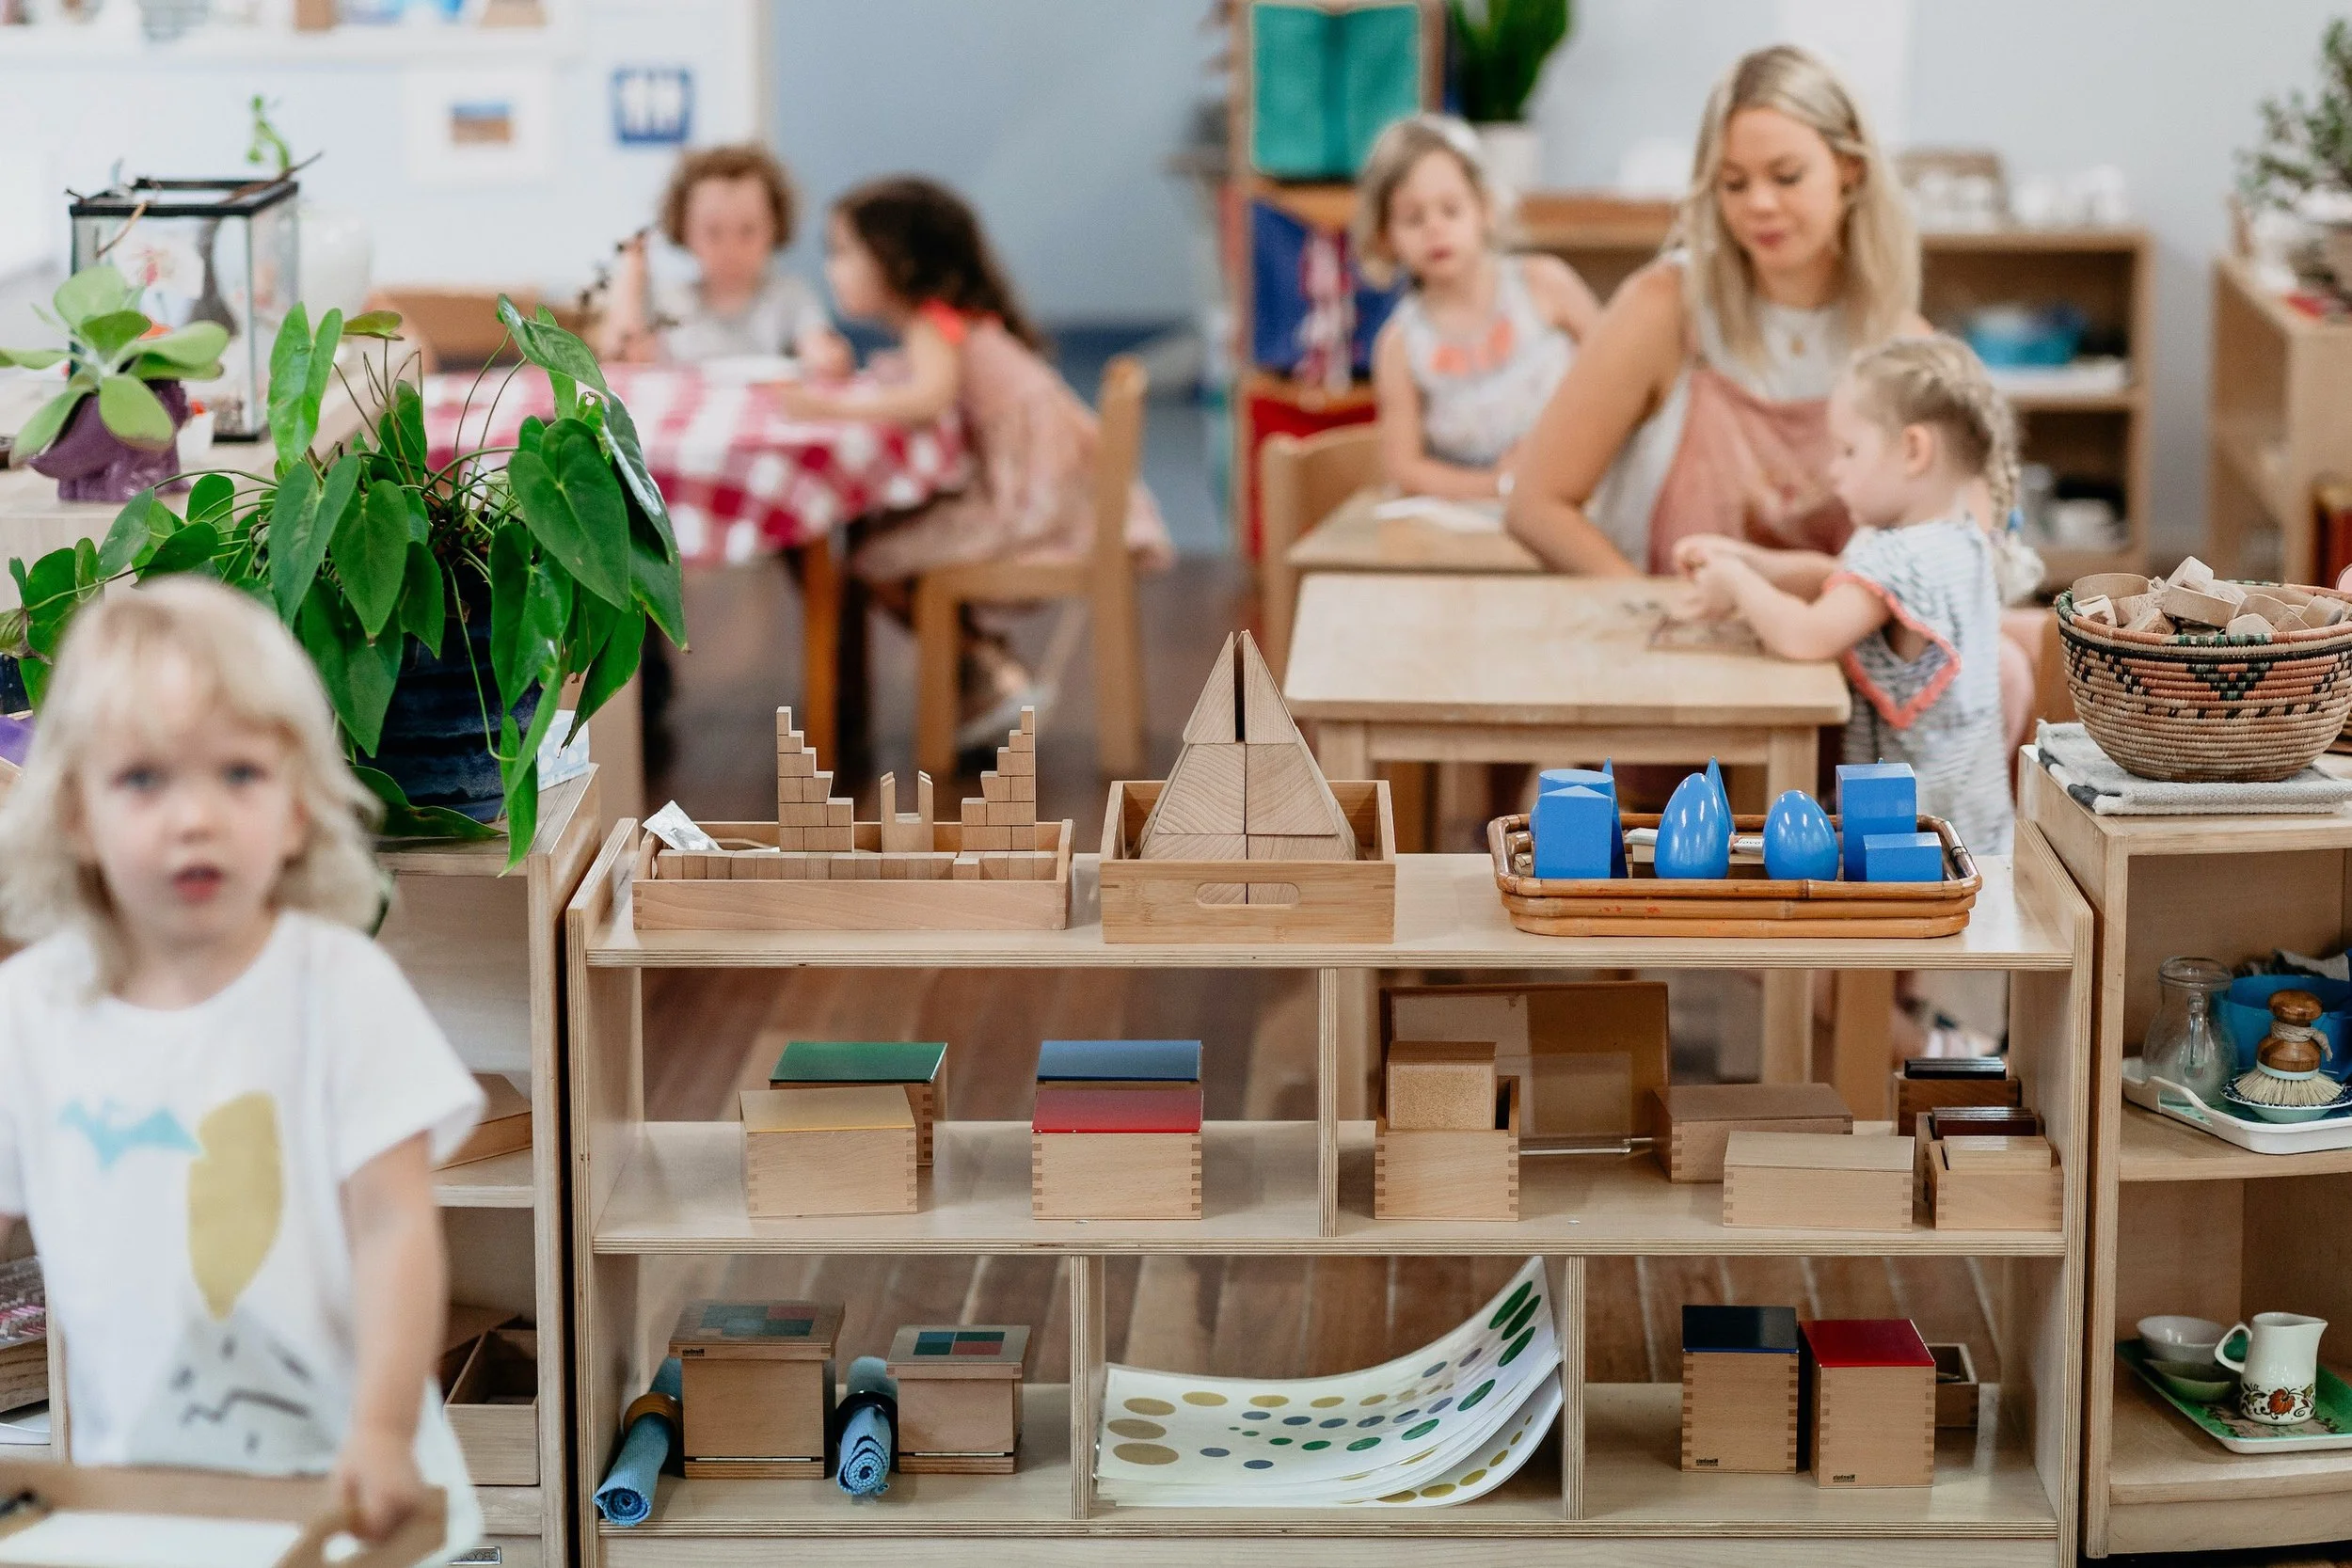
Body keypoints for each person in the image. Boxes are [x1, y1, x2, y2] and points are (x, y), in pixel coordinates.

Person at [0, 579, 485, 1563]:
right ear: (75, 814)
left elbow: (396, 1223)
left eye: (239, 774)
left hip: (354, 1487)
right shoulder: (33, 1010)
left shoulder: (338, 988)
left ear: (299, 806)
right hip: (147, 1495)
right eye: (143, 779)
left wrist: (383, 1429)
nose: (196, 818)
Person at [776, 176, 1172, 748]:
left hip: (1029, 504)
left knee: (874, 558)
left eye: (842, 252)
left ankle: (983, 666)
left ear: (895, 261)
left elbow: (927, 400)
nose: (833, 269)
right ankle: (983, 668)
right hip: (1056, 491)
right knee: (884, 545)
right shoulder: (949, 319)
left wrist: (820, 405)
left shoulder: (933, 323)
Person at [1505, 44, 1925, 576]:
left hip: (1824, 653)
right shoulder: (1665, 308)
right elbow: (1536, 507)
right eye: (1734, 183)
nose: (1759, 204)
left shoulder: (1902, 343)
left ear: (1850, 168)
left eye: (1787, 175)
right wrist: (1649, 608)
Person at [1677, 335, 2040, 854]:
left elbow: (1805, 636)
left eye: (1849, 450)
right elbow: (1840, 579)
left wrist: (1738, 584)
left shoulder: (1900, 559)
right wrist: (1749, 560)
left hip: (1910, 842)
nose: (1834, 470)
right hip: (1976, 828)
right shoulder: (1959, 538)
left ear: (1914, 450)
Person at [1356, 114, 1600, 500]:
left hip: (1585, 496)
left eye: (1451, 210)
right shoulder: (1399, 346)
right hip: (1472, 526)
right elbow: (1405, 469)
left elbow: (1619, 378)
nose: (1434, 228)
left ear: (1484, 208)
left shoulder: (1546, 283)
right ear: (1386, 236)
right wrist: (1498, 486)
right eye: (1413, 218)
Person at [599, 142, 852, 375]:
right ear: (683, 230)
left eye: (748, 231)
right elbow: (620, 357)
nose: (731, 248)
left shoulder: (791, 298)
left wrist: (826, 356)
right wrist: (633, 272)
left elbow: (821, 351)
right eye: (713, 232)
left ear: (775, 228)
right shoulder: (670, 301)